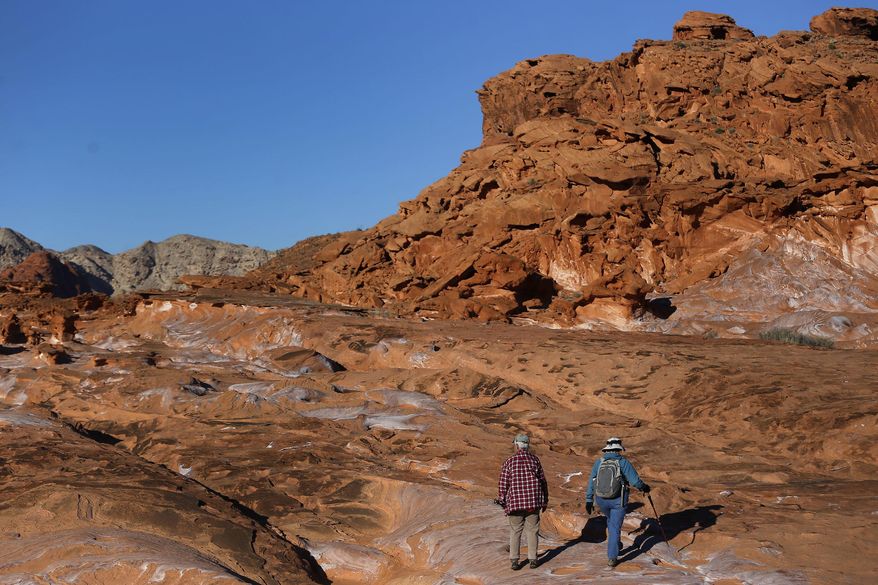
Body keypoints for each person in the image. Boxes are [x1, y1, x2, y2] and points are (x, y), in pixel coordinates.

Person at [584, 437, 650, 568]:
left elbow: (592, 481)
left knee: (611, 522)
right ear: (619, 449)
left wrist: (589, 500)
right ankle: (612, 557)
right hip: (618, 501)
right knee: (614, 527)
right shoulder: (623, 462)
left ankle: (617, 545)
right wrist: (644, 487)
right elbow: (636, 482)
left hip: (601, 500)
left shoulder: (599, 462)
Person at [496, 433, 549, 570]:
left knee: (515, 531)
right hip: (533, 502)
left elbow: (503, 483)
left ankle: (514, 560)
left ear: (516, 445)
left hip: (515, 503)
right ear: (527, 445)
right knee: (532, 531)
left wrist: (502, 500)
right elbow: (543, 481)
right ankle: (533, 559)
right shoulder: (534, 460)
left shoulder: (509, 461)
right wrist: (545, 500)